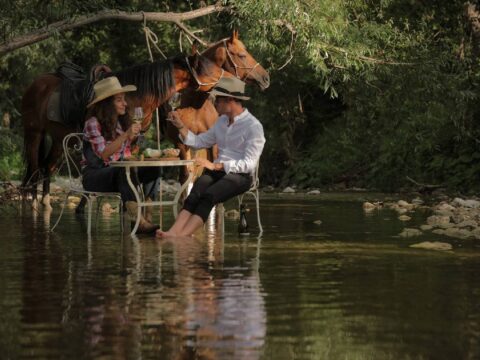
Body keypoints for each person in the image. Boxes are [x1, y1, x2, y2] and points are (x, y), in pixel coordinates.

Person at [156, 77, 265, 237]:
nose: (214, 103)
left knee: (208, 196)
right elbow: (199, 142)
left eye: (217, 100)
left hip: (240, 176)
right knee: (194, 194)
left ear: (230, 100)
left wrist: (216, 166)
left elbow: (249, 164)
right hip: (217, 172)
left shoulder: (253, 126)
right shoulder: (221, 121)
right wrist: (180, 125)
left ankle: (183, 235)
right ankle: (173, 232)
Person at [82, 76, 159, 234]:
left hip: (120, 175)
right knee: (123, 170)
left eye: (124, 99)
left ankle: (147, 215)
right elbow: (104, 154)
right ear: (107, 104)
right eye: (119, 100)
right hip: (94, 176)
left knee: (154, 168)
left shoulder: (119, 124)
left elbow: (126, 156)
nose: (125, 103)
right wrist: (125, 135)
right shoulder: (92, 123)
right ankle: (137, 220)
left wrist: (134, 141)